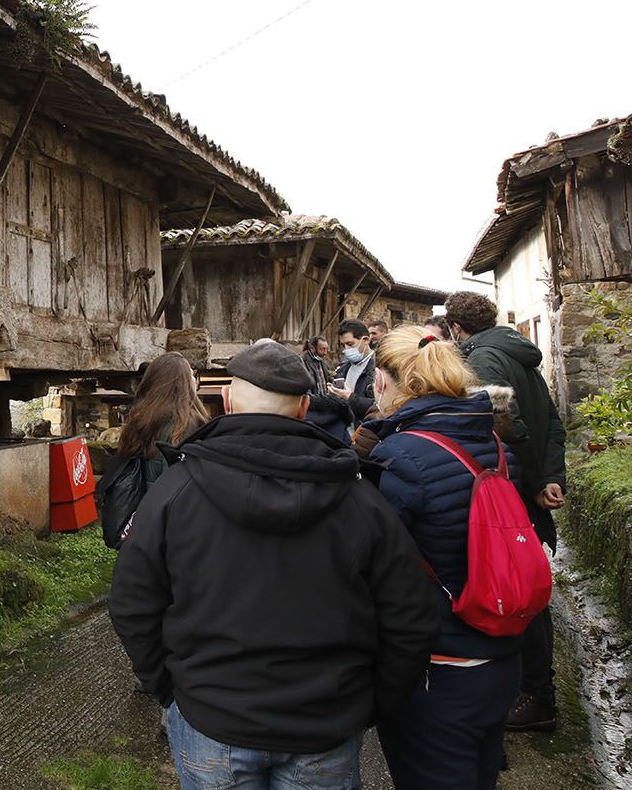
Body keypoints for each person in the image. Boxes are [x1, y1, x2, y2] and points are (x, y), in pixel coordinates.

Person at [109, 339, 436, 790]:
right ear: (305, 407)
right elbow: (411, 615)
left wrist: (169, 687)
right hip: (324, 722)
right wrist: (371, 701)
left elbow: (131, 602)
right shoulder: (360, 499)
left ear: (226, 400)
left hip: (213, 718)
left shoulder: (176, 491)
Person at [364, 326, 524, 789]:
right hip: (498, 652)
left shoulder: (403, 456)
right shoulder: (494, 443)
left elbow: (379, 564)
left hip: (441, 666)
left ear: (380, 381)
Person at [444, 290, 567, 731]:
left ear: (457, 328)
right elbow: (552, 422)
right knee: (526, 586)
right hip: (525, 486)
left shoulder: (482, 361)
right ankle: (534, 691)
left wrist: (535, 485)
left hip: (510, 491)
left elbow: (512, 431)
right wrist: (553, 478)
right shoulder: (517, 353)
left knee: (518, 593)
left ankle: (536, 696)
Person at [113, 352, 209, 490]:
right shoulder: (185, 424)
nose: (195, 380)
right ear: (183, 382)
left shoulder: (140, 418)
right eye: (191, 375)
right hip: (168, 507)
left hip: (142, 505)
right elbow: (178, 484)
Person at [329, 318, 377, 422]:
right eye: (343, 345)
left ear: (366, 340)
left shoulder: (380, 369)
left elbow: (383, 407)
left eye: (350, 344)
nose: (346, 350)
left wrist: (350, 398)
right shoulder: (342, 369)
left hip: (366, 432)